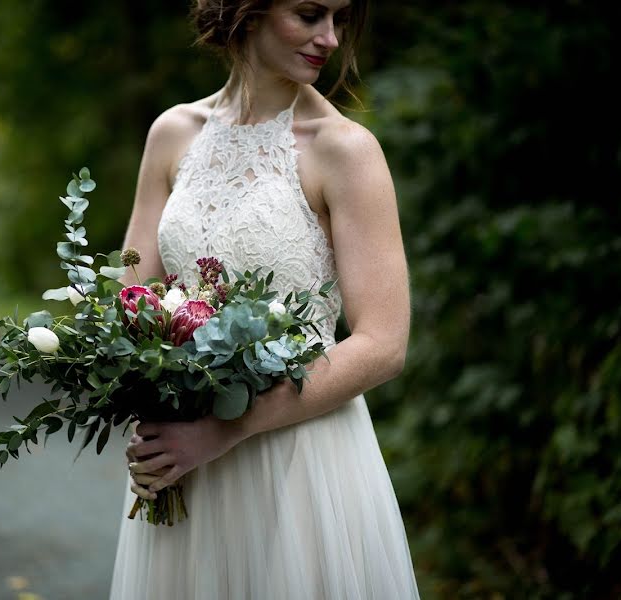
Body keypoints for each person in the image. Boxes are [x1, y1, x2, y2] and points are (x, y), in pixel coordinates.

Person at [110, 0, 420, 597]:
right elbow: (134, 295)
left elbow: (384, 344)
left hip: (302, 468)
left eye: (338, 18)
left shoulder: (345, 151)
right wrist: (131, 381)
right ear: (247, 11)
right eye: (308, 14)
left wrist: (225, 432)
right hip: (184, 465)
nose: (329, 38)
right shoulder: (173, 133)